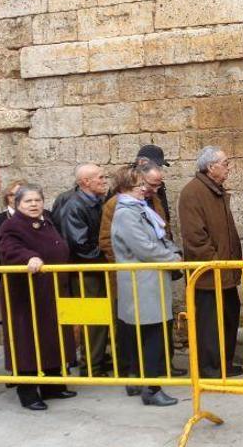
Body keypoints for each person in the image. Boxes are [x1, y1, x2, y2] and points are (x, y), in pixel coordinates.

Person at [0, 184, 77, 410]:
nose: (33, 205)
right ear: (17, 204)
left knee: (53, 338)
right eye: (28, 201)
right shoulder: (11, 226)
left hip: (50, 291)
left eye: (37, 200)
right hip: (25, 294)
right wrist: (29, 257)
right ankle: (28, 391)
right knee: (27, 342)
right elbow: (10, 249)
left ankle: (53, 385)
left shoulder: (47, 221)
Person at [99, 159, 182, 377]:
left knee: (151, 333)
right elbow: (143, 247)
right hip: (140, 280)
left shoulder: (142, 205)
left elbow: (160, 234)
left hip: (149, 279)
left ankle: (146, 379)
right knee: (143, 334)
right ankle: (145, 383)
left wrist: (170, 251)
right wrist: (172, 258)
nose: (146, 189)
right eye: (142, 185)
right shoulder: (125, 210)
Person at [178, 146, 243, 379]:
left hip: (225, 272)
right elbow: (196, 237)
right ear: (210, 167)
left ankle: (224, 362)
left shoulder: (215, 190)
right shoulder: (192, 193)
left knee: (228, 317)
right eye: (225, 163)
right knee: (209, 323)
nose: (229, 167)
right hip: (209, 274)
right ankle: (210, 367)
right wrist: (216, 263)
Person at [58, 163, 109, 376]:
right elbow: (79, 244)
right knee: (91, 319)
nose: (105, 180)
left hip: (94, 268)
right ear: (85, 182)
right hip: (86, 271)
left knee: (98, 318)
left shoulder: (96, 202)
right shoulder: (75, 206)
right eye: (100, 177)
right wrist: (105, 255)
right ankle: (91, 366)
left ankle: (95, 361)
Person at [0, 179, 27, 265]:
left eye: (19, 194)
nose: (15, 198)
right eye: (11, 195)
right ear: (6, 197)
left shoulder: (41, 216)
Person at [136, 145, 173, 228]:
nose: (158, 169)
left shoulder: (159, 187)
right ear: (142, 163)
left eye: (160, 166)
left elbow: (165, 217)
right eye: (155, 165)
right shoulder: (122, 189)